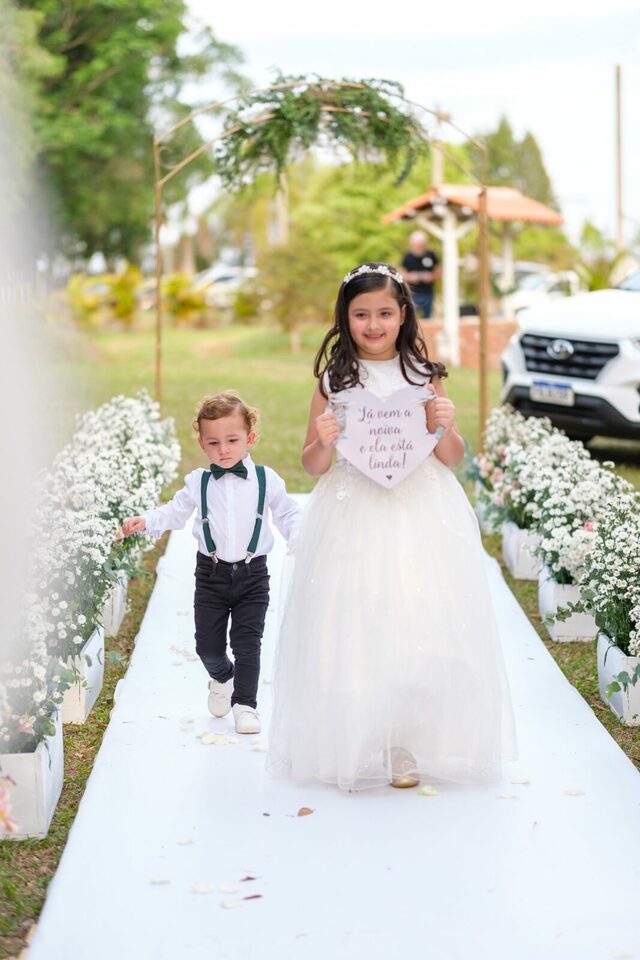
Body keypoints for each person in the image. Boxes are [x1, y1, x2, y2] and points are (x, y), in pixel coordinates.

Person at [268, 262, 517, 790]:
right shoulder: (334, 381)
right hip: (352, 512)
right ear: (345, 318)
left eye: (384, 313)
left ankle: (408, 737)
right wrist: (325, 439)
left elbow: (451, 457)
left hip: (419, 510)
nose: (373, 324)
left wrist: (444, 425)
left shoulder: (424, 375)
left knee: (416, 616)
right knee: (358, 617)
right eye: (361, 314)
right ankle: (359, 736)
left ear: (404, 314)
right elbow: (312, 465)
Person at [118, 391, 300, 736]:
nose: (223, 450)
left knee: (248, 643)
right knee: (207, 647)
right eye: (213, 442)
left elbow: (288, 513)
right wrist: (148, 520)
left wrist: (301, 536)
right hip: (211, 575)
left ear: (250, 439)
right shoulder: (198, 482)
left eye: (232, 440)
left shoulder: (266, 480)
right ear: (202, 443)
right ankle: (223, 677)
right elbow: (174, 512)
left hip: (253, 575)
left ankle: (246, 705)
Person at [400, 230, 441, 319]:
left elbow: (438, 270)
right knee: (411, 316)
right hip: (412, 292)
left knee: (428, 316)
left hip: (428, 292)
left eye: (421, 244)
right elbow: (402, 273)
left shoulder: (431, 255)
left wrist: (431, 276)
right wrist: (412, 277)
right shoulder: (408, 256)